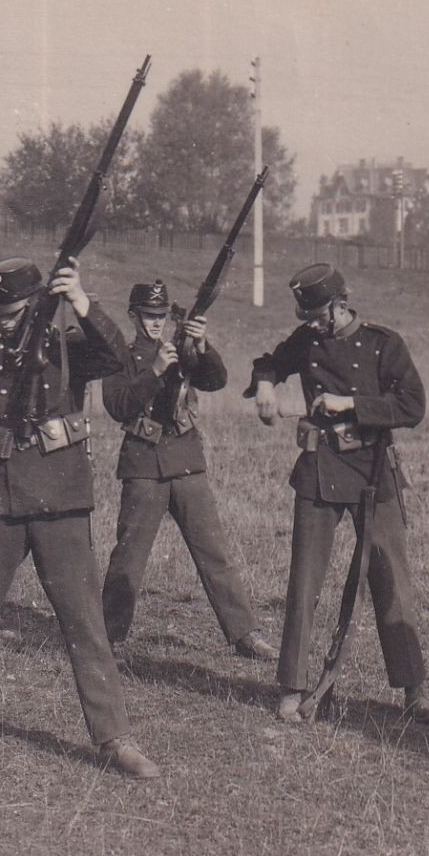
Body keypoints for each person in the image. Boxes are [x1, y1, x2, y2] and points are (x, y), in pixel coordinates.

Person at [0, 258, 160, 778]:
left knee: (85, 620)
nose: (5, 322)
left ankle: (113, 736)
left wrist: (83, 302)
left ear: (39, 308)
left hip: (61, 499)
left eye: (16, 312)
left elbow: (123, 361)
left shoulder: (69, 349)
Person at [245, 263, 429, 724]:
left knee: (391, 577)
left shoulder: (383, 343)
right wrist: (267, 387)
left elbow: (413, 406)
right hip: (320, 469)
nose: (310, 324)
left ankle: (414, 691)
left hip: (374, 469)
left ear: (340, 304)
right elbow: (268, 361)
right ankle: (291, 688)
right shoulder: (307, 340)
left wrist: (351, 404)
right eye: (305, 315)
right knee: (305, 579)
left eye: (317, 314)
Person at [100, 279, 278, 662]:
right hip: (144, 464)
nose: (155, 323)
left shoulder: (180, 347)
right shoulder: (120, 356)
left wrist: (200, 344)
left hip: (185, 460)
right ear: (133, 317)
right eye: (148, 316)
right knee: (129, 555)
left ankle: (245, 633)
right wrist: (155, 370)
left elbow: (216, 380)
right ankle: (110, 637)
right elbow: (117, 405)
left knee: (214, 551)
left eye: (161, 316)